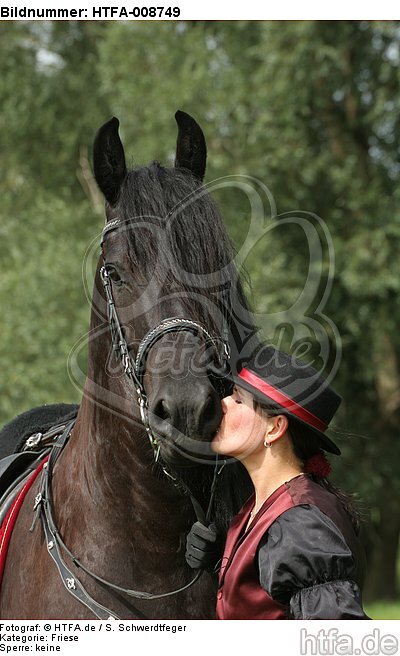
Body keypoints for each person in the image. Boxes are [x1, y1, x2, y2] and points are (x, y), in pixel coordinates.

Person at [186, 344, 369, 619]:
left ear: (274, 428)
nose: (222, 404)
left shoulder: (300, 524)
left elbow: (335, 641)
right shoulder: (264, 508)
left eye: (237, 400)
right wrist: (225, 564)